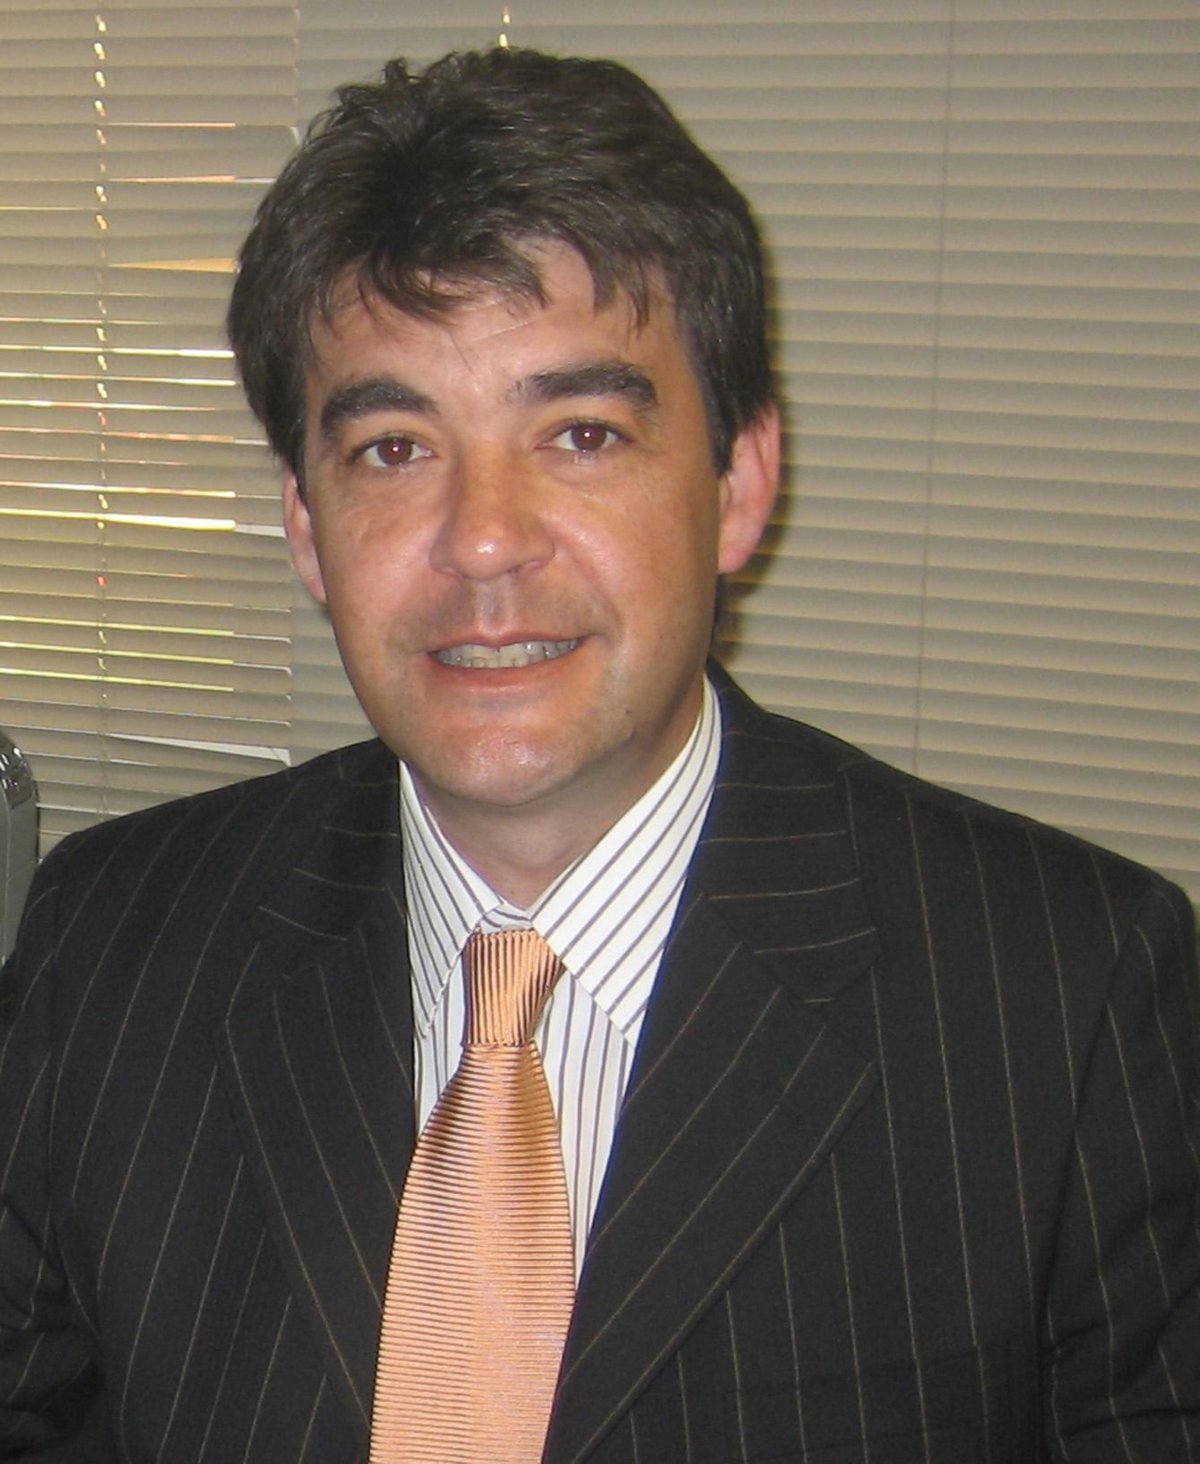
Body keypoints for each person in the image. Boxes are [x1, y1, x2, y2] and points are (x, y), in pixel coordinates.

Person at [0, 45, 1197, 1464]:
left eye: (580, 433)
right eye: (394, 449)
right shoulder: (110, 942)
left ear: (739, 482)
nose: (484, 540)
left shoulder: (1068, 999)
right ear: (308, 530)